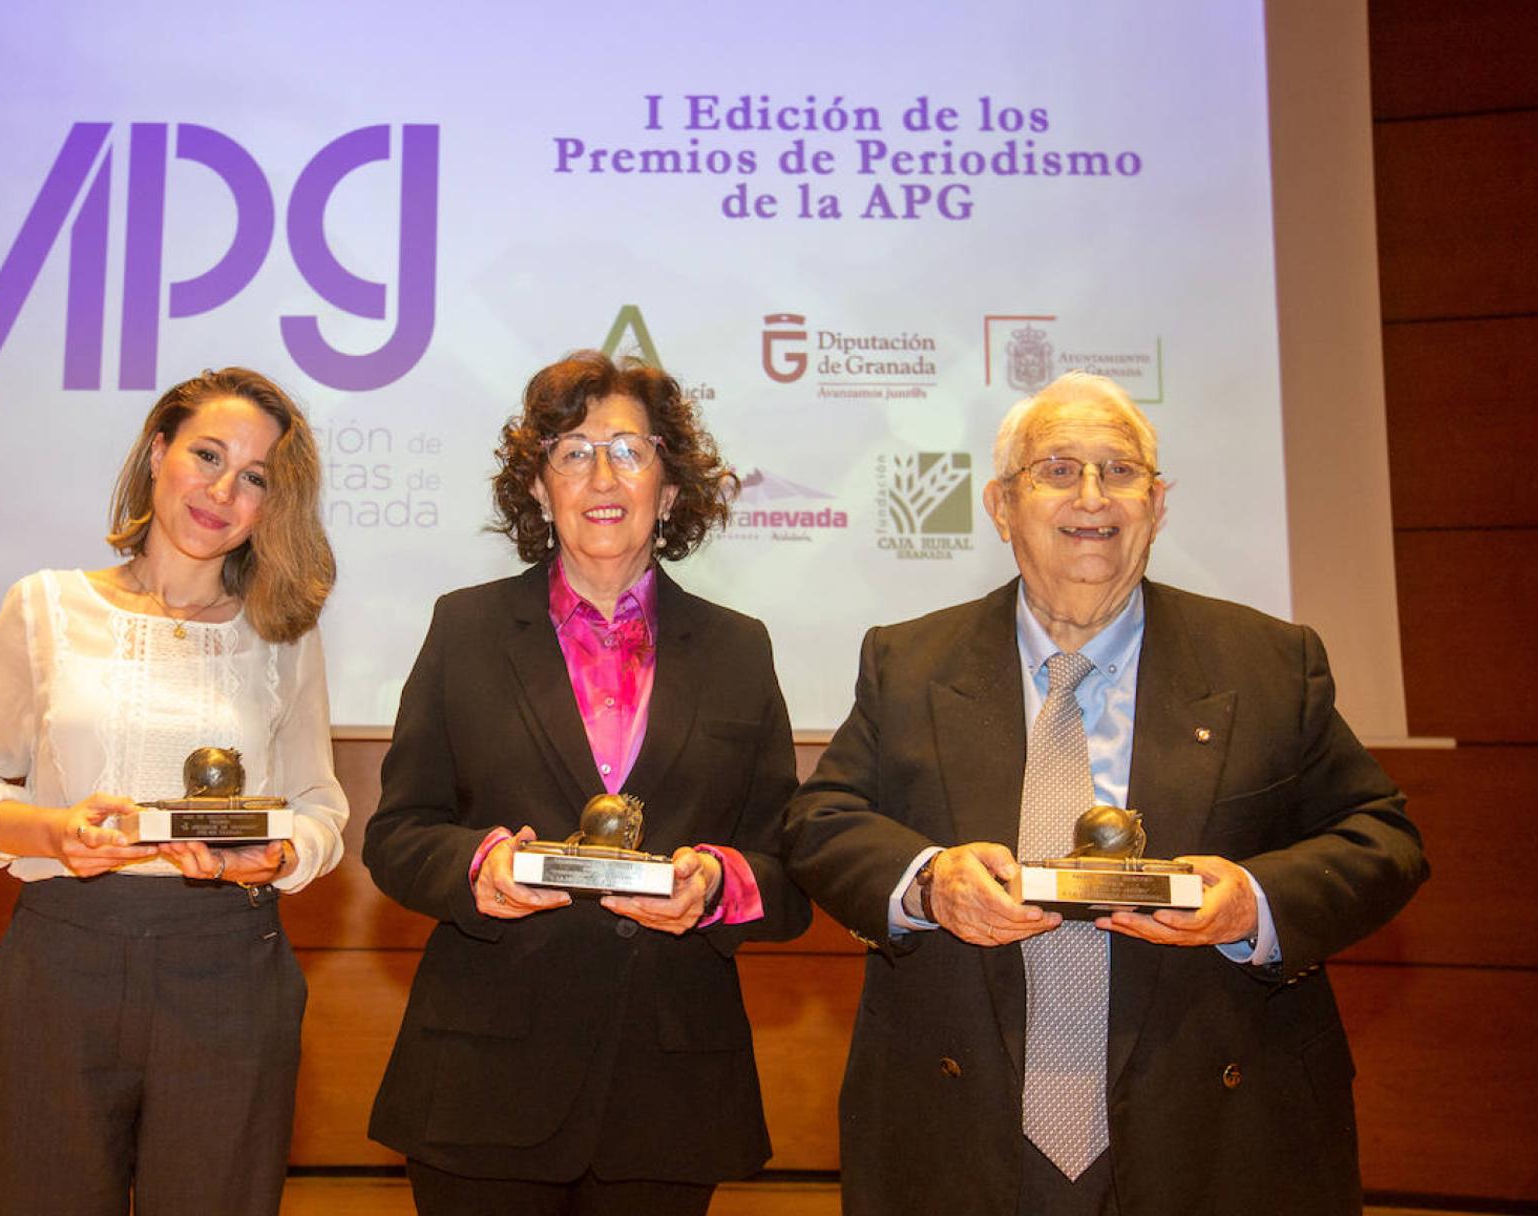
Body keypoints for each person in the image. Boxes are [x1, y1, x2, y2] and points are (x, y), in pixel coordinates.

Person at [782, 372, 1428, 1216]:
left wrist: (1253, 903)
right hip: (960, 1130)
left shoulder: (1269, 663)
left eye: (1120, 471)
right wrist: (930, 883)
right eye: (1057, 469)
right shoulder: (909, 663)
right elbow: (822, 823)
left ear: (1156, 506)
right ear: (1001, 505)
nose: (1093, 496)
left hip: (1217, 1132)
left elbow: (1383, 837)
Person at [363, 351, 812, 1215]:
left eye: (629, 451)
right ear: (538, 489)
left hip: (670, 1089)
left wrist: (719, 884)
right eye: (570, 451)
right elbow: (399, 834)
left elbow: (790, 868)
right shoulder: (465, 629)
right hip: (483, 1079)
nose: (600, 474)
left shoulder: (738, 648)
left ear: (671, 488)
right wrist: (479, 866)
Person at [0, 367, 347, 1216]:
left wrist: (272, 855)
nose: (224, 490)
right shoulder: (43, 607)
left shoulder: (282, 634)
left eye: (256, 478)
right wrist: (54, 832)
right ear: (158, 453)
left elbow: (320, 807)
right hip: (62, 960)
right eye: (208, 455)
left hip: (229, 967)